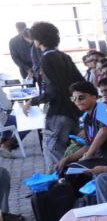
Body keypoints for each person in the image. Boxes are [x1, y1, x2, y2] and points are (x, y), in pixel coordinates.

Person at [25, 22, 86, 172]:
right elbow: (81, 83)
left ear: (39, 39)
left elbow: (53, 90)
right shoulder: (64, 56)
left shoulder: (46, 59)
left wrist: (32, 101)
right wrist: (75, 102)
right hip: (73, 112)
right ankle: (72, 182)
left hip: (58, 113)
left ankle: (59, 183)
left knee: (54, 155)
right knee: (72, 152)